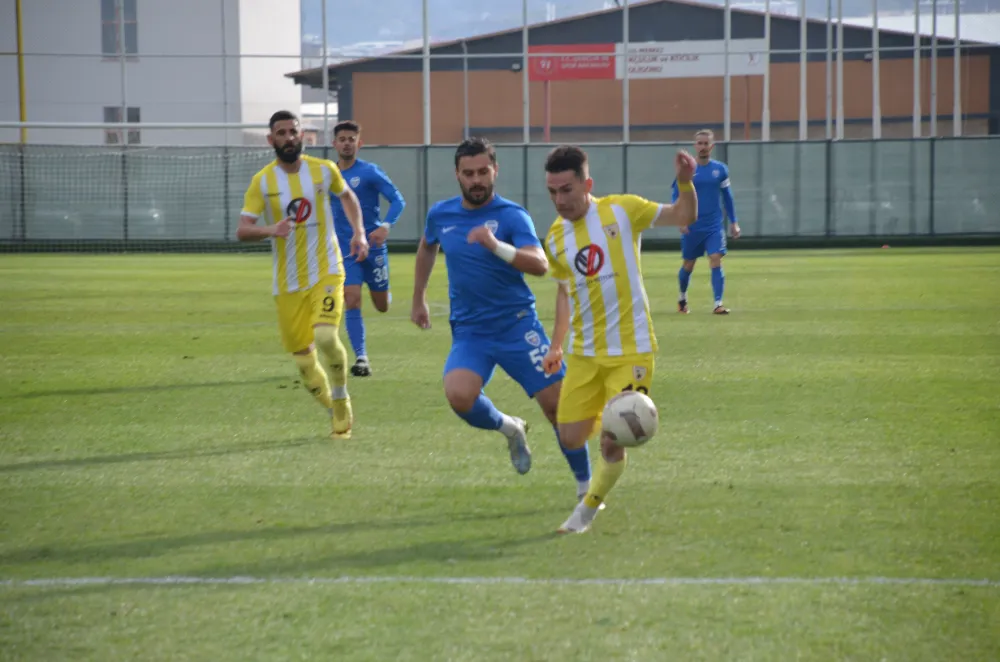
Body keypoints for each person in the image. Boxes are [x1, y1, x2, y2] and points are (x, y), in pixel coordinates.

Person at [411, 138, 595, 498]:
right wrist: (419, 298)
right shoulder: (441, 214)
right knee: (459, 396)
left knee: (558, 409)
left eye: (483, 171)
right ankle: (511, 428)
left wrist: (495, 245)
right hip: (470, 332)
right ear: (457, 175)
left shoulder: (512, 215)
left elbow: (539, 264)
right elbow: (427, 246)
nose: (476, 180)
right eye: (468, 173)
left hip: (517, 326)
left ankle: (586, 489)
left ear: (495, 170)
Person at [540, 144, 698, 534]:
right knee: (570, 436)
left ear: (587, 184)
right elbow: (564, 293)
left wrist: (685, 182)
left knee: (612, 442)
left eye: (566, 190)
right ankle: (609, 419)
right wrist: (556, 344)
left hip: (632, 349)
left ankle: (587, 510)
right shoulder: (555, 237)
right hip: (584, 354)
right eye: (552, 192)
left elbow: (683, 215)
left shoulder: (623, 210)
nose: (559, 200)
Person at [237, 110, 369, 439]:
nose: (288, 138)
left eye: (292, 132)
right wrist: (271, 229)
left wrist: (359, 233)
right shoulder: (262, 181)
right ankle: (332, 408)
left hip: (327, 270)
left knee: (325, 337)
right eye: (281, 133)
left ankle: (341, 397)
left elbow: (348, 196)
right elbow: (243, 229)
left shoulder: (324, 170)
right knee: (305, 364)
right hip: (288, 283)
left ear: (301, 135)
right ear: (271, 140)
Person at [329, 120, 407, 377]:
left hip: (373, 247)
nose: (347, 143)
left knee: (382, 305)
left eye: (351, 139)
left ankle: (384, 290)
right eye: (342, 139)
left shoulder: (370, 172)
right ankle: (361, 357)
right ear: (334, 144)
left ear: (359, 143)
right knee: (351, 298)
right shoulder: (328, 175)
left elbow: (397, 200)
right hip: (346, 248)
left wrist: (385, 226)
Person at [672, 129, 741, 314]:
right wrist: (681, 219)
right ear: (695, 146)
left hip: (713, 226)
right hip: (692, 226)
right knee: (688, 265)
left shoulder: (720, 170)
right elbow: (676, 195)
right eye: (700, 143)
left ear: (712, 146)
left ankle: (718, 303)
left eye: (706, 143)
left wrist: (734, 222)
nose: (703, 147)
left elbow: (728, 197)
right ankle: (682, 297)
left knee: (716, 258)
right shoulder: (687, 170)